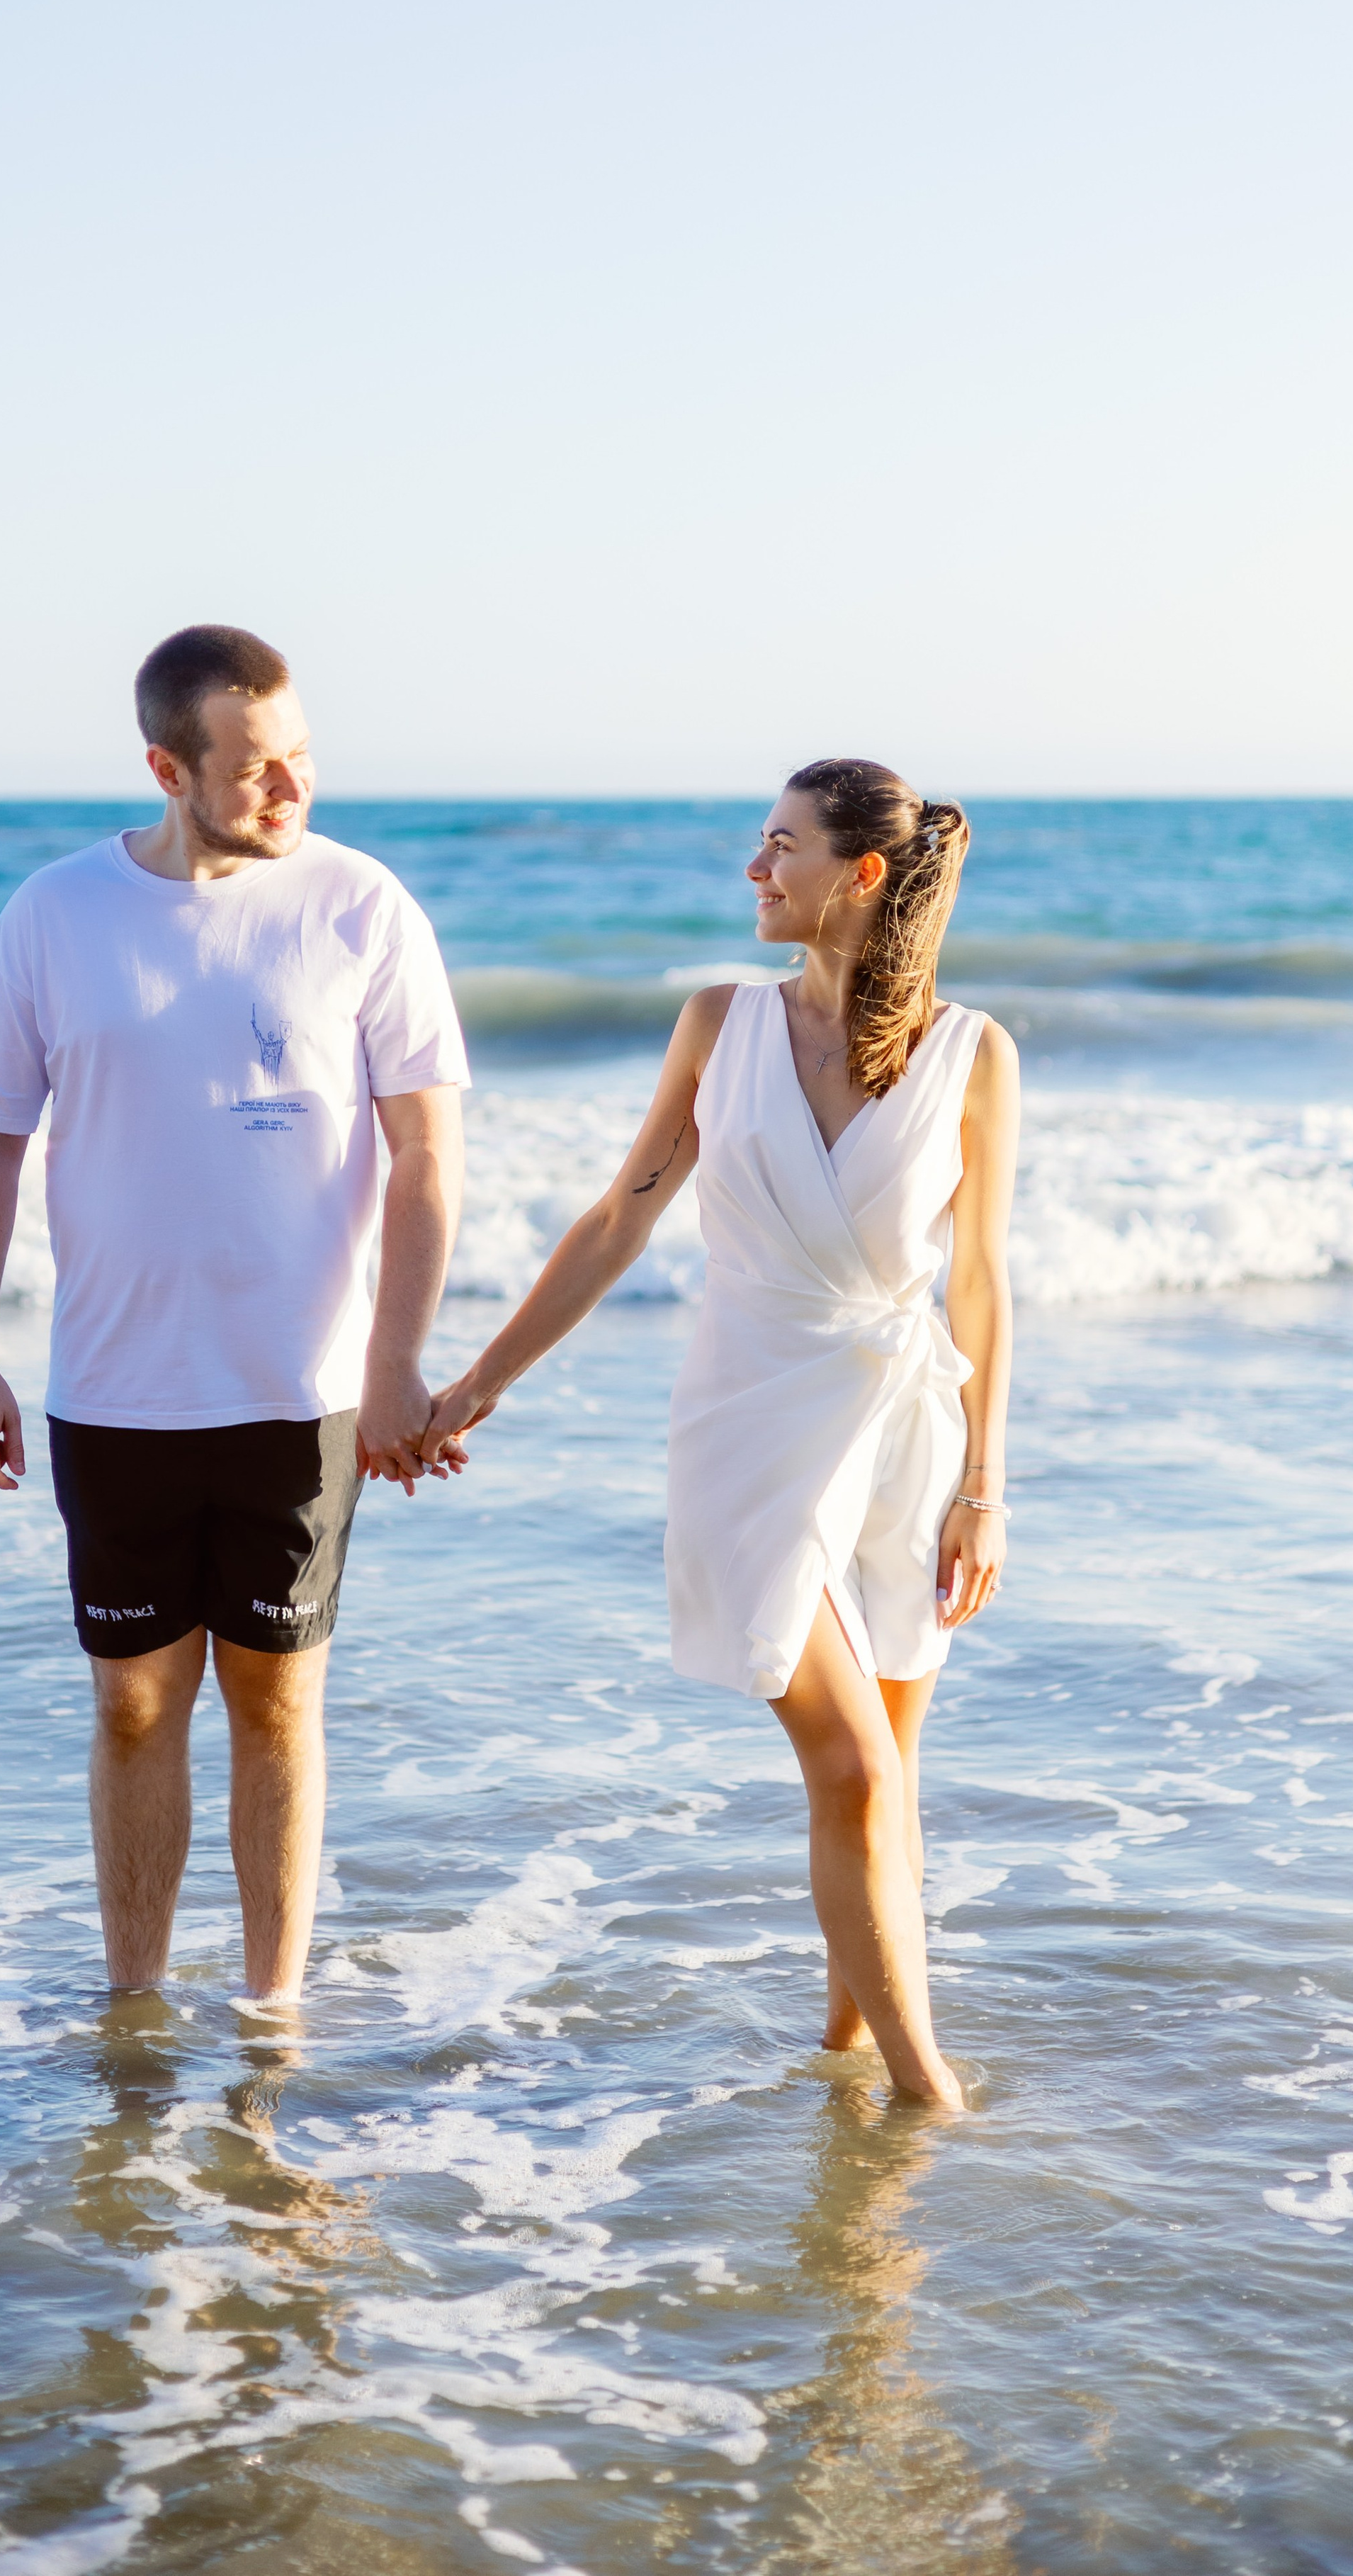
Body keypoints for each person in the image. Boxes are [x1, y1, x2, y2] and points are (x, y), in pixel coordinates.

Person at [422, 761, 1018, 2108]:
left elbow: (979, 1280)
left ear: (863, 876)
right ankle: (935, 2102)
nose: (755, 872)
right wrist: (479, 1382)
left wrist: (987, 1484)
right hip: (749, 1429)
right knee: (853, 1766)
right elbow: (619, 1217)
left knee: (887, 1786)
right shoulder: (719, 1023)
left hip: (903, 1437)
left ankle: (845, 2071)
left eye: (780, 848)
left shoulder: (974, 1053)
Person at [0, 625, 468, 2004]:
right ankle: (135, 2012)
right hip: (113, 1391)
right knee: (133, 1706)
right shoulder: (55, 915)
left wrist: (398, 1360)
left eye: (301, 758)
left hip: (301, 1392)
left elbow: (427, 1158)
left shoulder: (363, 906)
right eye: (256, 769)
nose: (292, 791)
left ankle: (272, 2017)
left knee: (278, 1707)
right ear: (166, 768)